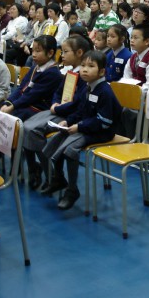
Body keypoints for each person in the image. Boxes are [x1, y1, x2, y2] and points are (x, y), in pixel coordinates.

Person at [40, 50, 122, 210]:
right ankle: (58, 179)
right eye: (83, 65)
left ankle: (72, 191)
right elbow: (80, 111)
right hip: (87, 127)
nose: (84, 69)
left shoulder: (104, 91)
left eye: (90, 66)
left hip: (102, 132)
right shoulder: (87, 87)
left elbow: (104, 121)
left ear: (102, 72)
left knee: (70, 149)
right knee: (56, 140)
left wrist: (80, 126)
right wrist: (67, 121)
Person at [21, 35, 91, 189]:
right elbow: (58, 93)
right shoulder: (70, 73)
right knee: (25, 126)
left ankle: (52, 175)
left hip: (70, 116)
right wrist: (54, 104)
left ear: (79, 53)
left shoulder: (85, 76)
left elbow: (77, 103)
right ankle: (41, 171)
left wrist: (58, 108)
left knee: (33, 130)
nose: (62, 55)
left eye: (65, 52)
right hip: (59, 110)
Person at [0, 35, 63, 121]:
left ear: (50, 53)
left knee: (14, 116)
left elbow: (32, 96)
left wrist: (12, 107)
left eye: (38, 51)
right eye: (32, 51)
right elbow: (21, 87)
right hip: (26, 102)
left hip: (38, 109)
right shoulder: (35, 66)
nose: (33, 54)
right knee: (2, 109)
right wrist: (8, 103)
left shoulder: (53, 73)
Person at [122, 24, 149, 90]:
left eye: (135, 38)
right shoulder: (132, 58)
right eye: (131, 37)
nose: (131, 40)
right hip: (132, 94)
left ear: (147, 41)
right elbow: (126, 80)